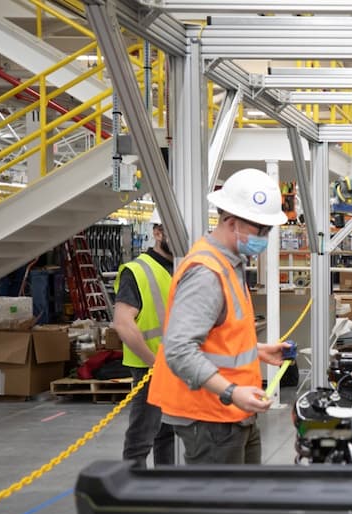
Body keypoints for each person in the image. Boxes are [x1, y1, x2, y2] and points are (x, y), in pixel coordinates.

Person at [148, 169, 290, 465]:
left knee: (244, 504)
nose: (265, 238)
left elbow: (220, 336)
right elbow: (179, 349)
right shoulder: (206, 272)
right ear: (231, 223)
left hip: (234, 413)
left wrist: (257, 352)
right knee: (220, 507)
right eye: (261, 230)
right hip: (211, 416)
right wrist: (231, 392)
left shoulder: (231, 264)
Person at [113, 210, 175, 468]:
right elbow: (123, 322)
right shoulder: (138, 271)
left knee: (169, 433)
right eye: (171, 230)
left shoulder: (183, 265)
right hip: (149, 367)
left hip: (177, 364)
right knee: (143, 434)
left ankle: (167, 486)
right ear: (157, 232)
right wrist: (154, 362)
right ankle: (132, 486)